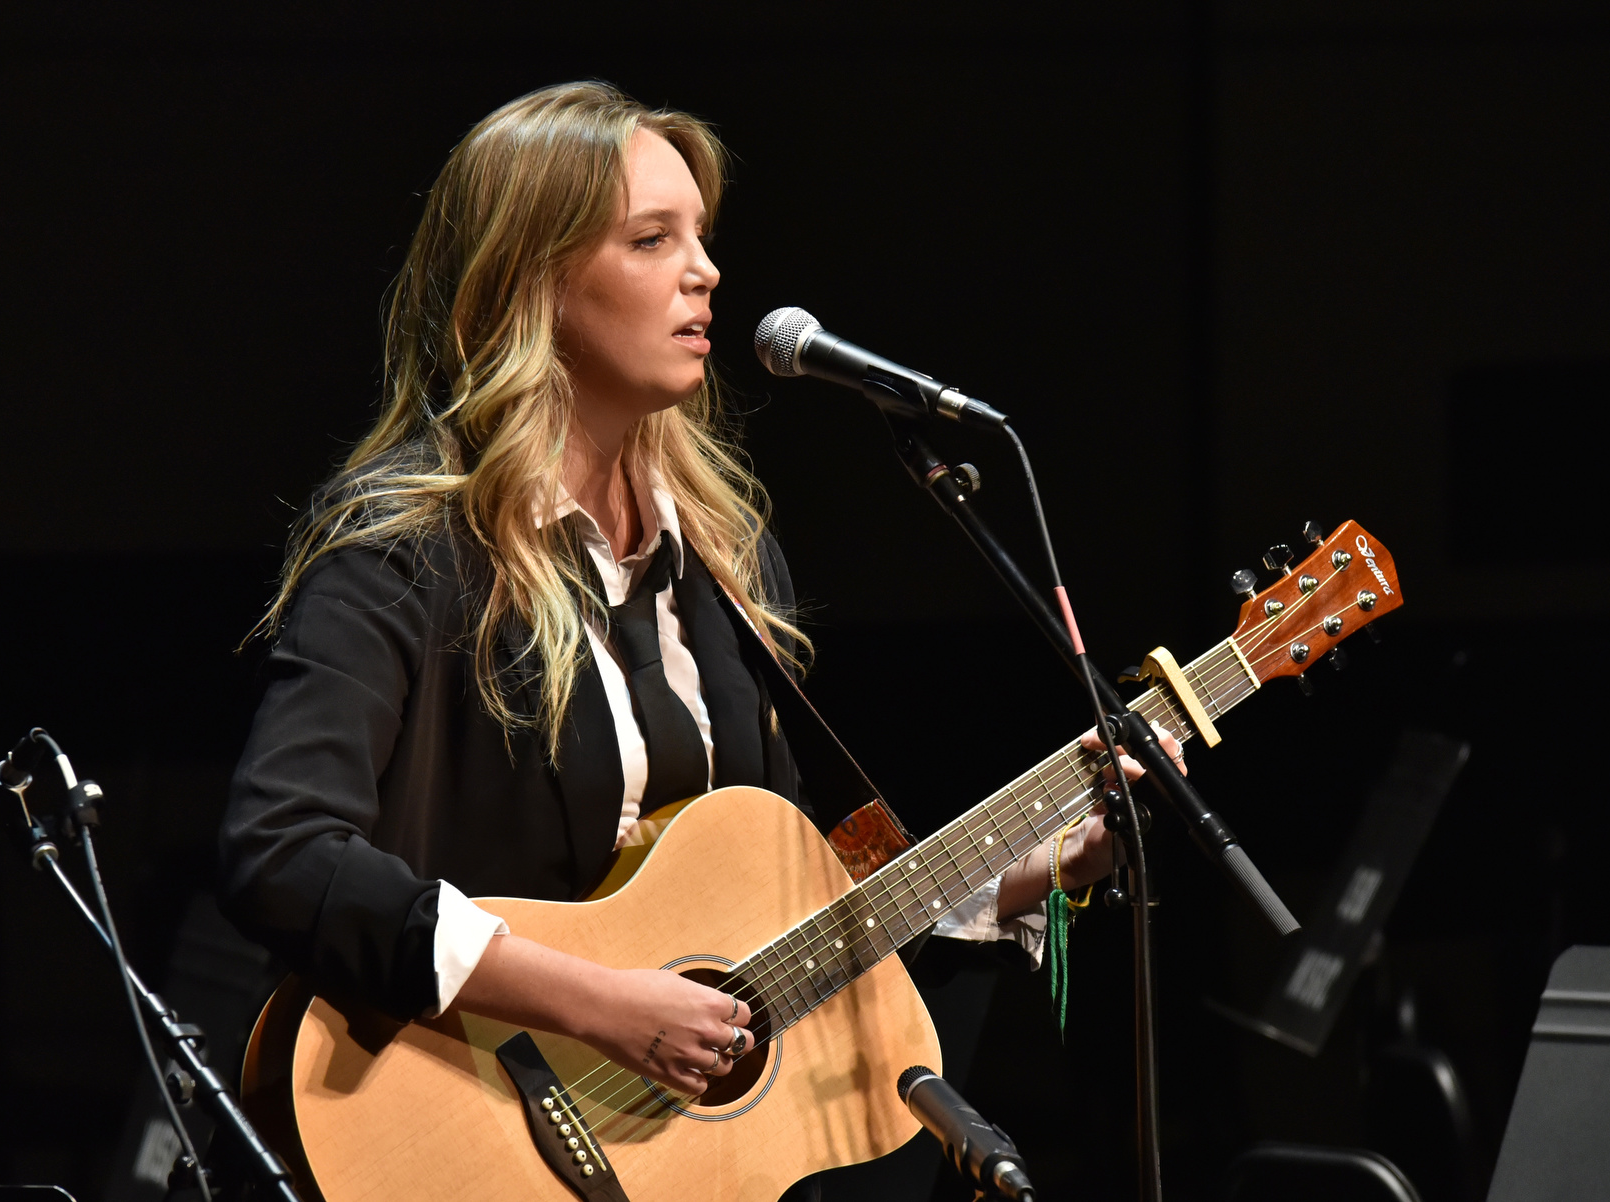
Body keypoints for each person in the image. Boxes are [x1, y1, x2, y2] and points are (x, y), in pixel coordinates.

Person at [218, 79, 1176, 1150]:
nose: (706, 270)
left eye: (702, 237)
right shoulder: (407, 548)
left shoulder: (717, 560)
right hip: (447, 1131)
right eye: (650, 239)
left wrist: (1033, 872)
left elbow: (796, 900)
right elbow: (282, 849)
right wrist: (599, 1003)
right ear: (532, 280)